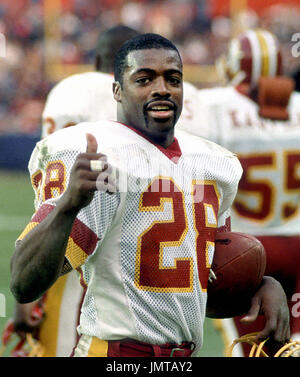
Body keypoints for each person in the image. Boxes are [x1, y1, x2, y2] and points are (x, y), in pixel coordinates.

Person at [10, 33, 290, 357]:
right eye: (144, 79)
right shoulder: (103, 159)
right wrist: (66, 207)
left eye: (173, 79)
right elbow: (23, 282)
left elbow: (202, 282)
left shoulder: (213, 164)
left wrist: (258, 286)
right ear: (117, 90)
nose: (161, 88)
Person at [6, 25, 140, 358]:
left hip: (57, 230)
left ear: (96, 57)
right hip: (109, 241)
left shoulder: (64, 90)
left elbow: (48, 188)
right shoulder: (121, 95)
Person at [177, 28, 300, 356]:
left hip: (247, 246)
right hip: (297, 241)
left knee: (253, 347)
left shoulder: (213, 106)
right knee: (293, 343)